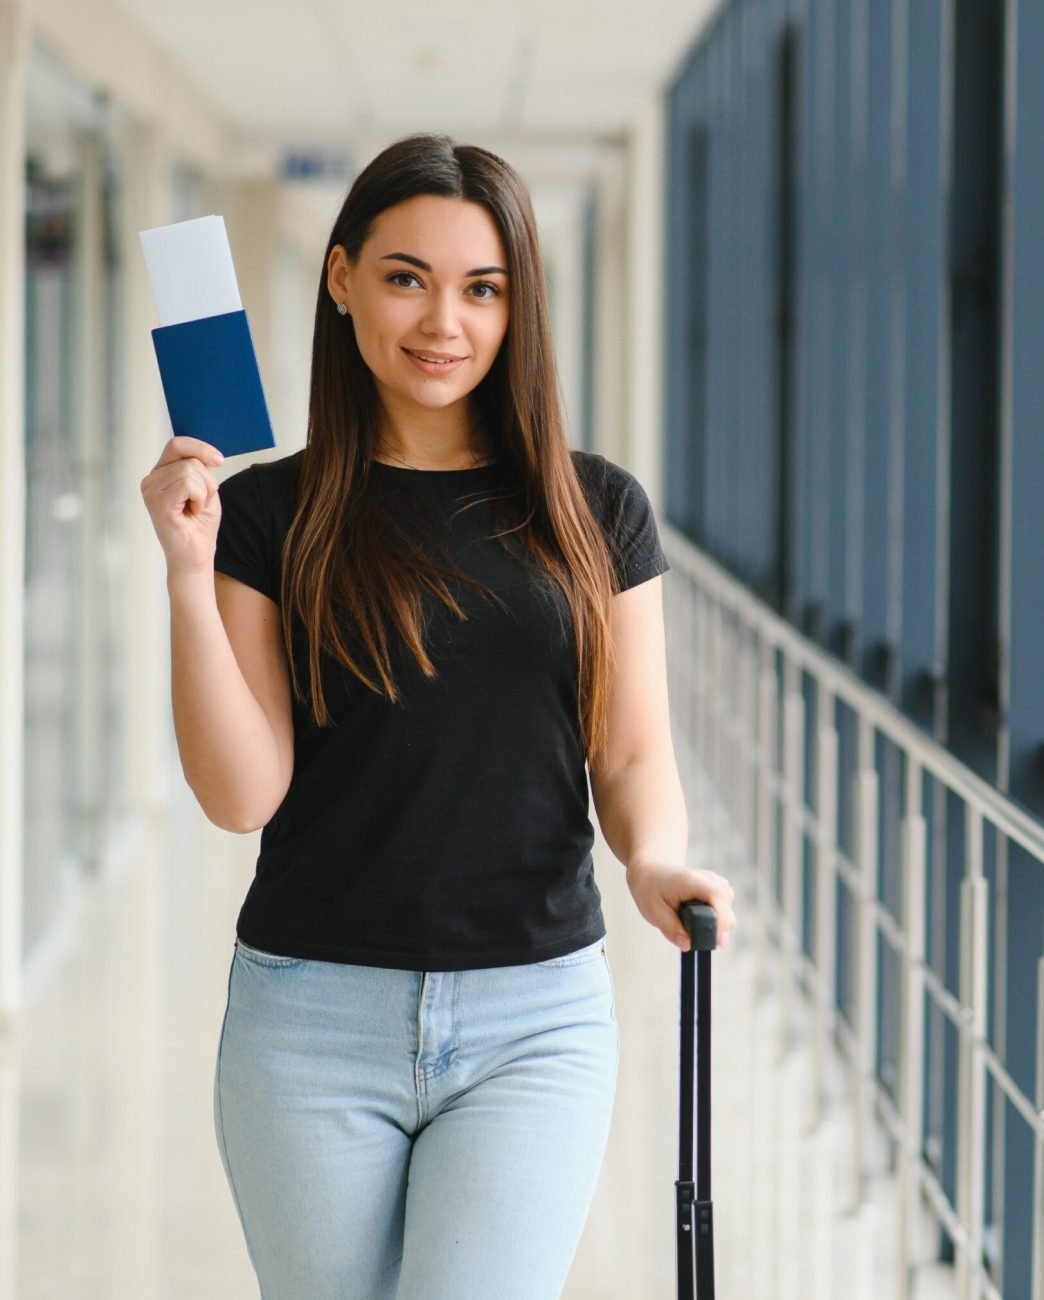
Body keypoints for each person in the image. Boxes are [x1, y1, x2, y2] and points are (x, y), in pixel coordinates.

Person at [140, 132, 735, 1300]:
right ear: (342, 276)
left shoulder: (595, 509)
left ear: (519, 306)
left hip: (536, 1015)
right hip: (310, 1015)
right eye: (407, 276)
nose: (442, 321)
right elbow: (239, 793)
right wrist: (183, 573)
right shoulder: (267, 514)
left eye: (483, 288)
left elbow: (631, 746)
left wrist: (657, 857)